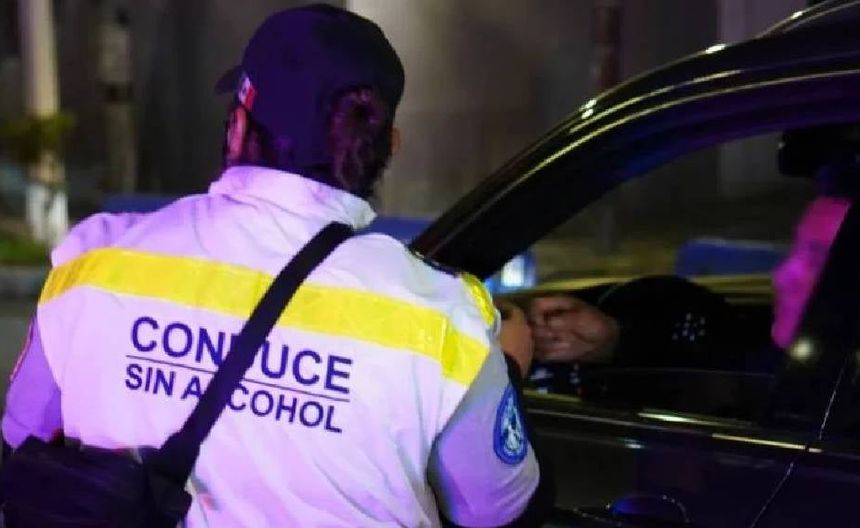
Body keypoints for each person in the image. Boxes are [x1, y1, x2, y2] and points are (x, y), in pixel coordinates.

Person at [1, 5, 552, 527]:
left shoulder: (94, 261)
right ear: (389, 145)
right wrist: (509, 369)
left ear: (238, 125)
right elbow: (498, 511)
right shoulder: (442, 319)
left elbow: (22, 440)